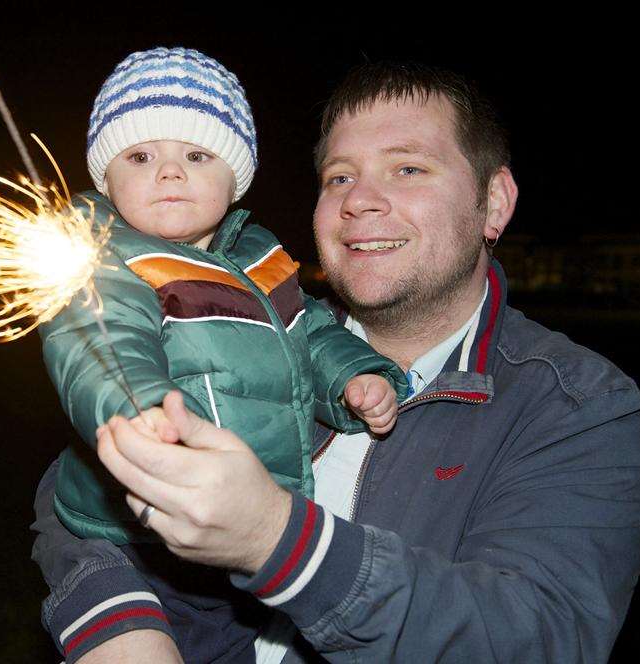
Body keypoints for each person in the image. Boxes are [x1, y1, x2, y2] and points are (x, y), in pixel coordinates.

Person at [33, 61, 640, 663]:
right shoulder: (257, 326)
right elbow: (78, 478)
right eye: (339, 177)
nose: (360, 201)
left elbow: (540, 639)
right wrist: (114, 618)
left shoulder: (581, 409)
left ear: (494, 203)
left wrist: (275, 540)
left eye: (408, 169)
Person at [37, 47, 407, 664]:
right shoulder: (104, 254)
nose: (170, 173)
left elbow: (311, 330)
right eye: (140, 156)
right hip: (124, 540)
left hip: (231, 544)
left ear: (234, 176)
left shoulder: (263, 256)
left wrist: (352, 376)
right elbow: (99, 343)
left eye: (197, 155)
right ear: (106, 177)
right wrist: (142, 412)